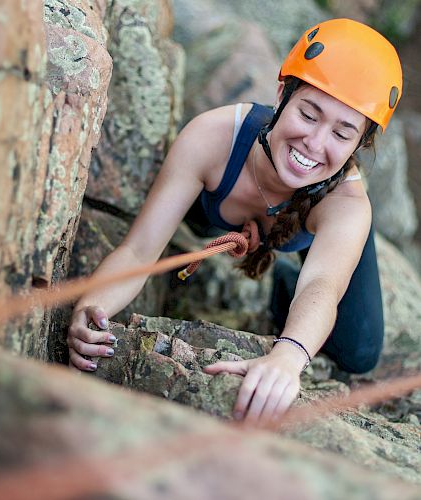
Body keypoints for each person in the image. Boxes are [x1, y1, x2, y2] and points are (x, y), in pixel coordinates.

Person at [67, 19, 403, 423]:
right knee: (194, 219)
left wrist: (287, 357)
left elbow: (322, 285)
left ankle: (282, 288)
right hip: (216, 209)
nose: (315, 143)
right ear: (282, 95)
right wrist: (93, 306)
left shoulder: (346, 203)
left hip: (311, 228)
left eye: (342, 133)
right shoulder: (213, 139)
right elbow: (139, 249)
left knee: (359, 351)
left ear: (359, 144)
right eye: (309, 114)